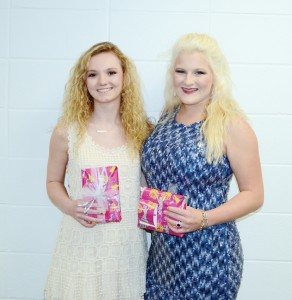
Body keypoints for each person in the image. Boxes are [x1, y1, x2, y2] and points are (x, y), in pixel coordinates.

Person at [141, 33, 264, 299]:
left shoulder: (231, 125)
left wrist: (203, 219)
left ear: (215, 76)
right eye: (180, 71)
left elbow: (254, 195)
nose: (188, 81)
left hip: (209, 256)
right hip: (163, 257)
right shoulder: (166, 118)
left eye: (199, 72)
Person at [44, 42, 151, 299]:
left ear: (124, 78)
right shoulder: (66, 131)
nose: (103, 81)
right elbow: (52, 182)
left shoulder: (144, 131)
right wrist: (71, 207)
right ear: (84, 81)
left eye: (111, 72)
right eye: (93, 74)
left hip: (127, 251)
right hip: (81, 245)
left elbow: (148, 188)